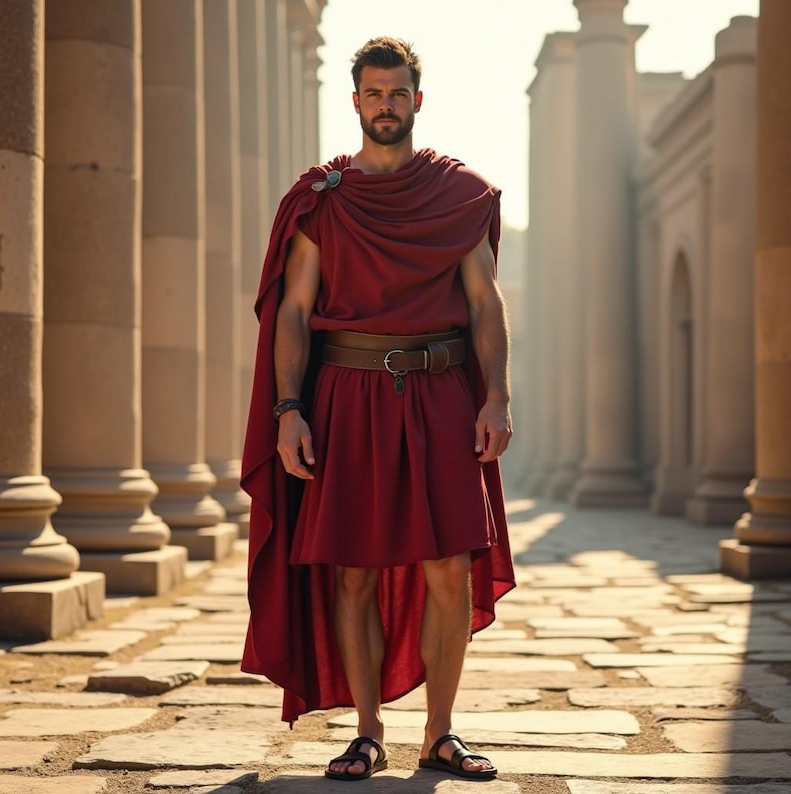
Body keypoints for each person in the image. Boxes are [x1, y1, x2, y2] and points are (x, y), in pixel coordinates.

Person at [241, 36, 516, 782]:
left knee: (447, 566)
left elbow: (485, 300)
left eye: (398, 93)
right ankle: (366, 730)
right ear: (355, 100)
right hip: (346, 398)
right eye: (374, 93)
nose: (386, 105)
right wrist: (289, 409)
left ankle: (441, 732)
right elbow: (295, 313)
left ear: (417, 101)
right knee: (353, 573)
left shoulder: (459, 195)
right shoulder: (322, 200)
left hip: (440, 393)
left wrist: (497, 395)